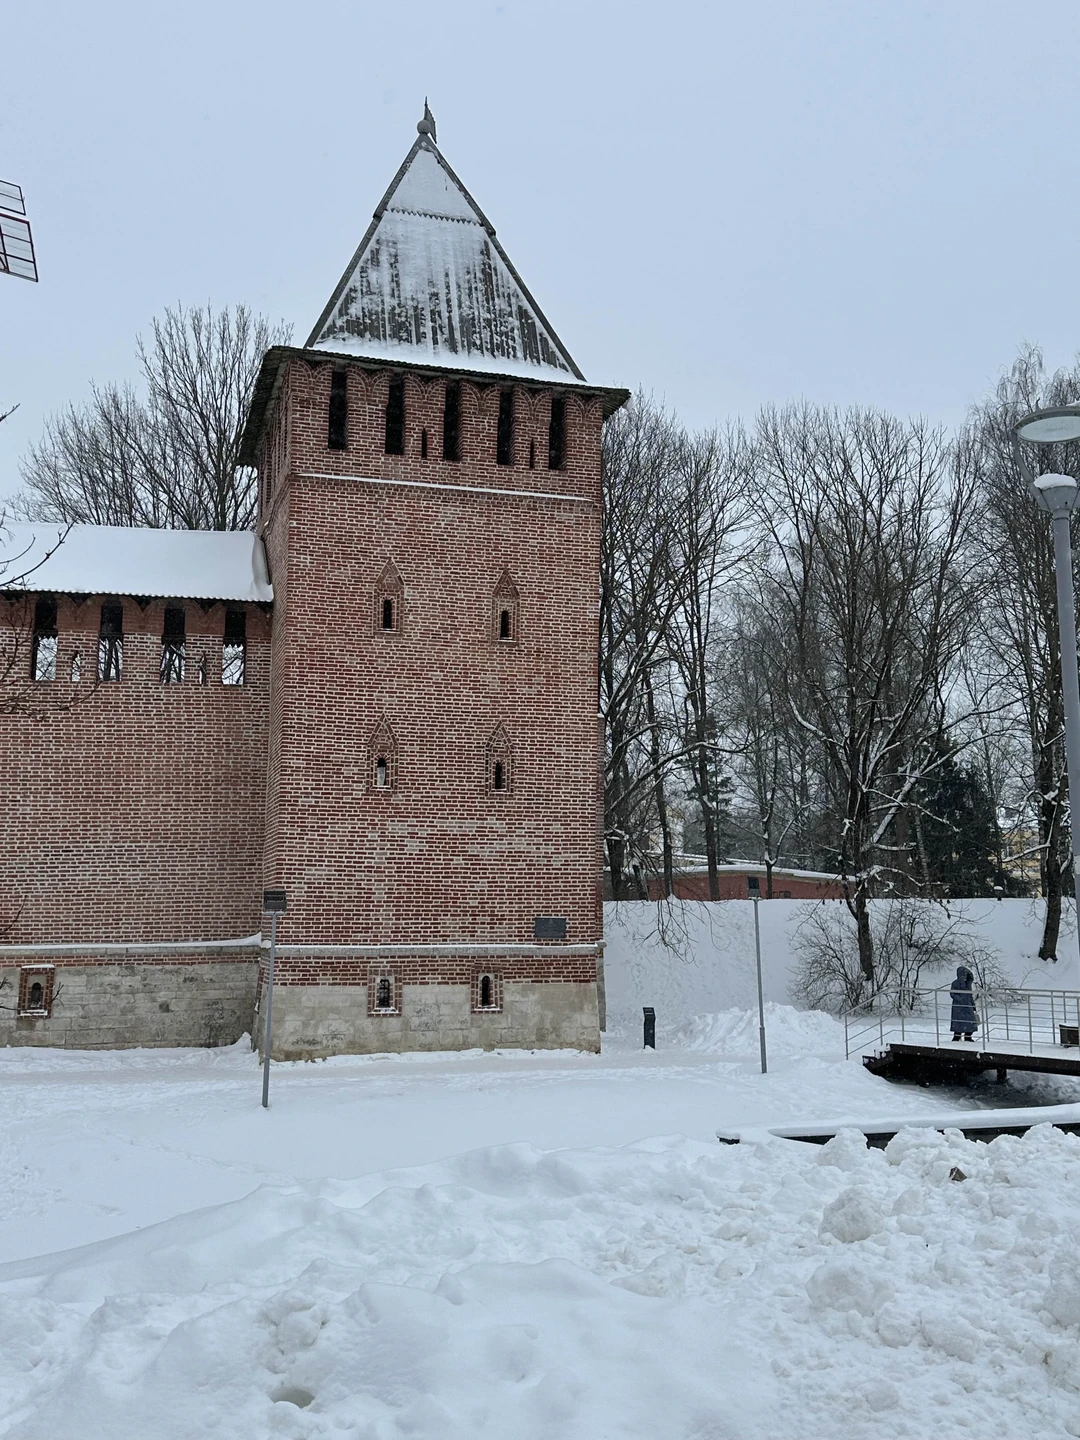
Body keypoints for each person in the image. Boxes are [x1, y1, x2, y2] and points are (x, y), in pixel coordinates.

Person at [950, 965, 978, 1042]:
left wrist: (973, 1005)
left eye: (966, 974)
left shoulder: (968, 984)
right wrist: (960, 999)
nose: (965, 976)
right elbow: (952, 994)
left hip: (968, 1006)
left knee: (970, 1022)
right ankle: (956, 1036)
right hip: (958, 1006)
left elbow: (970, 995)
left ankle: (968, 1036)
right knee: (958, 1022)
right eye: (963, 974)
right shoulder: (955, 983)